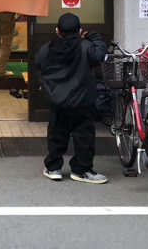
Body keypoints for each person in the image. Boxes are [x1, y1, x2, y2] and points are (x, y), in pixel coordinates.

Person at [36, 12, 109, 183]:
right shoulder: (86, 47)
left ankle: (53, 168)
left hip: (58, 100)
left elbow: (39, 63)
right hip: (82, 100)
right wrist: (94, 36)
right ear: (80, 30)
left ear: (57, 30)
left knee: (56, 133)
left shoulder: (48, 48)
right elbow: (100, 55)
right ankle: (81, 170)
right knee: (84, 137)